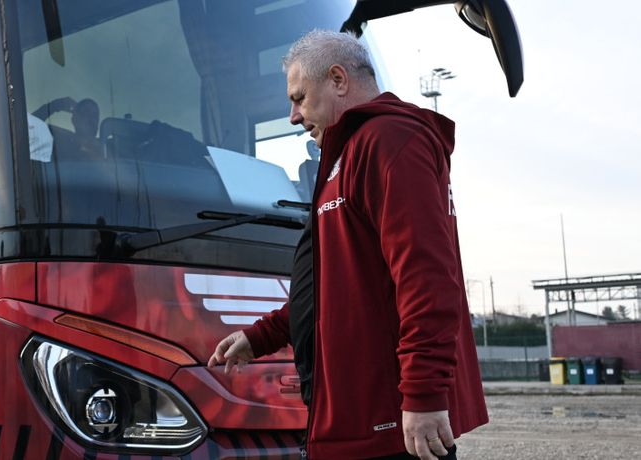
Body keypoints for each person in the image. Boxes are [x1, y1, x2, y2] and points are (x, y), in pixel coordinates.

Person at [209, 30, 487, 460]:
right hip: (356, 424)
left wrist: (423, 395)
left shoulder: (389, 140)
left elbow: (427, 280)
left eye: (299, 98)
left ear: (338, 80)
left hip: (389, 429)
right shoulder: (346, 156)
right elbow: (333, 286)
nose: (293, 117)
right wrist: (260, 336)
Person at [34, 97, 103, 157]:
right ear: (74, 119)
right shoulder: (60, 142)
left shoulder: (106, 146)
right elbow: (30, 127)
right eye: (86, 112)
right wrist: (56, 105)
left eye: (95, 115)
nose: (91, 118)